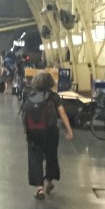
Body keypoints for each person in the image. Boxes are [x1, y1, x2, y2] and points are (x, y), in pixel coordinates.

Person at [22, 70, 73, 199]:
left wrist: (25, 129)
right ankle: (49, 182)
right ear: (50, 82)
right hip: (50, 132)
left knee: (35, 158)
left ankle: (39, 188)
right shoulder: (54, 96)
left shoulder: (29, 94)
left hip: (33, 132)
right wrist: (69, 130)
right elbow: (62, 113)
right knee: (51, 156)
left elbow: (24, 113)